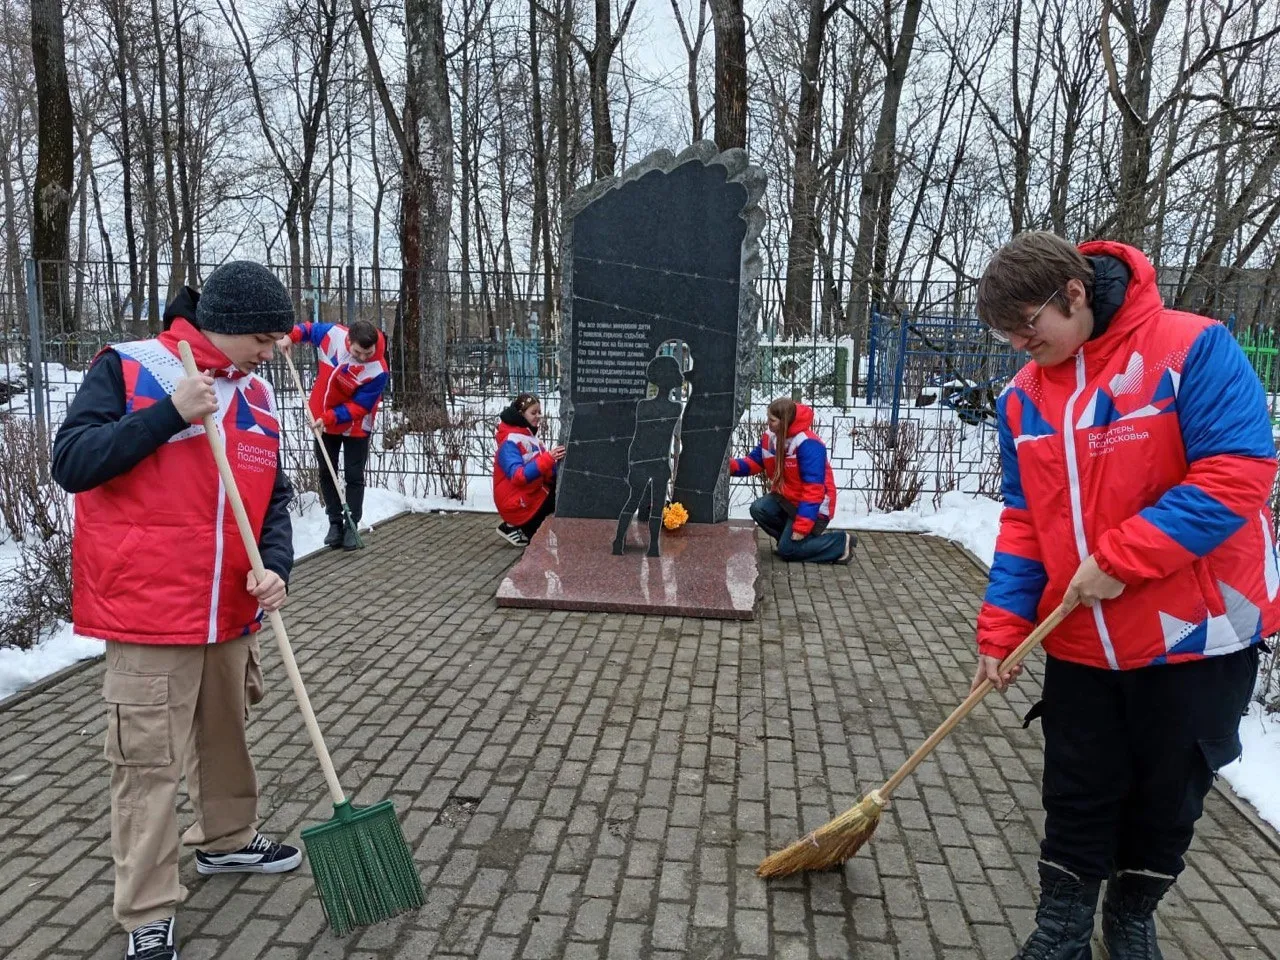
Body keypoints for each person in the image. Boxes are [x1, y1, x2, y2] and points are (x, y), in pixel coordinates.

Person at [973, 231, 1274, 960]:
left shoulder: (1192, 349)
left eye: (1027, 327)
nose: (1020, 346)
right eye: (1007, 335)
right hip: (1079, 636)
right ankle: (1062, 930)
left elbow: (1238, 470)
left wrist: (1121, 557)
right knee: (1077, 789)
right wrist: (1002, 630)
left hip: (1193, 634)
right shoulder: (1024, 400)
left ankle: (1132, 913)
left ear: (1072, 294)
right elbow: (1023, 520)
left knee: (1167, 797)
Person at [51, 262, 303, 960]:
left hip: (228, 611)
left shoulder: (254, 393)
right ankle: (148, 910)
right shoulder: (132, 367)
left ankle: (224, 840)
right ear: (226, 325)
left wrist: (274, 567)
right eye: (263, 336)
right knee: (147, 764)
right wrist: (169, 416)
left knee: (225, 737)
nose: (272, 350)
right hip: (149, 610)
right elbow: (71, 461)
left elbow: (272, 499)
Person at [277, 318, 389, 550]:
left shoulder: (378, 370)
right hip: (322, 421)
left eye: (368, 353)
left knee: (353, 475)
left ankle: (351, 523)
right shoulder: (334, 335)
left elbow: (360, 406)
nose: (363, 358)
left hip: (356, 426)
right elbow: (309, 330)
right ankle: (334, 522)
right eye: (359, 352)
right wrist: (291, 337)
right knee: (327, 471)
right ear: (349, 340)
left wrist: (329, 418)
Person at [730, 397, 854, 564]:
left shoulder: (808, 444)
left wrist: (801, 527)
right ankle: (792, 543)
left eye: (772, 420)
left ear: (785, 421)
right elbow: (753, 462)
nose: (768, 423)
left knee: (788, 551)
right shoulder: (771, 437)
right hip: (788, 501)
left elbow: (814, 490)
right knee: (759, 509)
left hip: (815, 508)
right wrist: (727, 466)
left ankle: (839, 542)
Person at [493, 392, 564, 546]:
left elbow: (544, 471)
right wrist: (549, 458)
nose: (538, 416)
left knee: (561, 490)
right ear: (521, 414)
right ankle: (519, 528)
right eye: (533, 412)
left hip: (530, 495)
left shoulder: (530, 438)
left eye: (539, 412)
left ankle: (528, 529)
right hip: (517, 503)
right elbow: (519, 476)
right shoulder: (509, 442)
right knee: (558, 498)